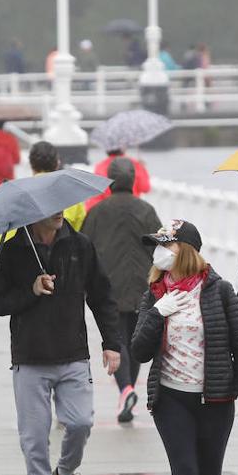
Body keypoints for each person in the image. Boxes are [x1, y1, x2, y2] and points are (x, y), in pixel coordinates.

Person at [131, 220, 238, 475]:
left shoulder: (220, 291)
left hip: (216, 397)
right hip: (171, 398)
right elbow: (139, 350)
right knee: (185, 472)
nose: (158, 253)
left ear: (184, 250)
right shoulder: (155, 293)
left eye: (165, 246)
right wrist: (158, 313)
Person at [0, 207, 123, 475]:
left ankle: (64, 474)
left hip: (72, 352)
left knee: (80, 423)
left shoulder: (80, 246)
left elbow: (102, 297)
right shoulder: (13, 248)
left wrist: (112, 343)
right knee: (34, 435)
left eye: (62, 206)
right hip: (29, 355)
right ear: (33, 214)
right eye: (51, 209)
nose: (59, 212)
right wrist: (30, 291)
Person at [82, 158, 162, 422]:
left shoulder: (97, 212)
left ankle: (125, 389)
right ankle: (127, 390)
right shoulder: (147, 210)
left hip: (109, 287)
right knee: (134, 340)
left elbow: (84, 247)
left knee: (116, 340)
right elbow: (161, 248)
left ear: (110, 181)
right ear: (133, 181)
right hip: (143, 285)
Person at [28, 141, 86, 231]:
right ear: (57, 164)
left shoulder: (22, 194)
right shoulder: (73, 194)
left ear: (31, 165)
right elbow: (82, 227)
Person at [85, 148, 151, 210]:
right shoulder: (135, 164)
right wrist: (142, 168)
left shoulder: (100, 166)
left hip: (107, 210)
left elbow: (98, 194)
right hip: (132, 209)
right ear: (122, 149)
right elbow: (145, 188)